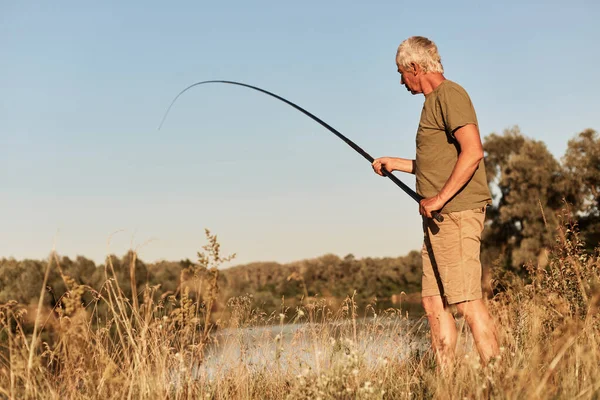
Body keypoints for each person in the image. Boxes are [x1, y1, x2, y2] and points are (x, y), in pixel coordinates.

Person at [372, 36, 499, 366]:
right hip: (438, 218)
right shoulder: (432, 103)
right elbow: (437, 164)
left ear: (415, 67)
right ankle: (448, 384)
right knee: (433, 303)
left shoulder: (450, 95)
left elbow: (473, 152)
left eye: (402, 73)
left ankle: (500, 380)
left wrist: (440, 198)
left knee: (466, 301)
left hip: (454, 214)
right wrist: (395, 164)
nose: (401, 80)